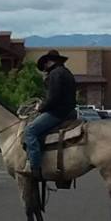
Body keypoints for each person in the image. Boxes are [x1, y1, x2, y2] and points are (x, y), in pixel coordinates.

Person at [23, 50, 77, 180]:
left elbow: (54, 98)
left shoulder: (55, 74)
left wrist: (40, 107)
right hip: (69, 111)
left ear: (50, 61)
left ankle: (34, 167)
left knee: (30, 131)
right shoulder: (67, 72)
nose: (45, 68)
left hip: (58, 112)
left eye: (45, 64)